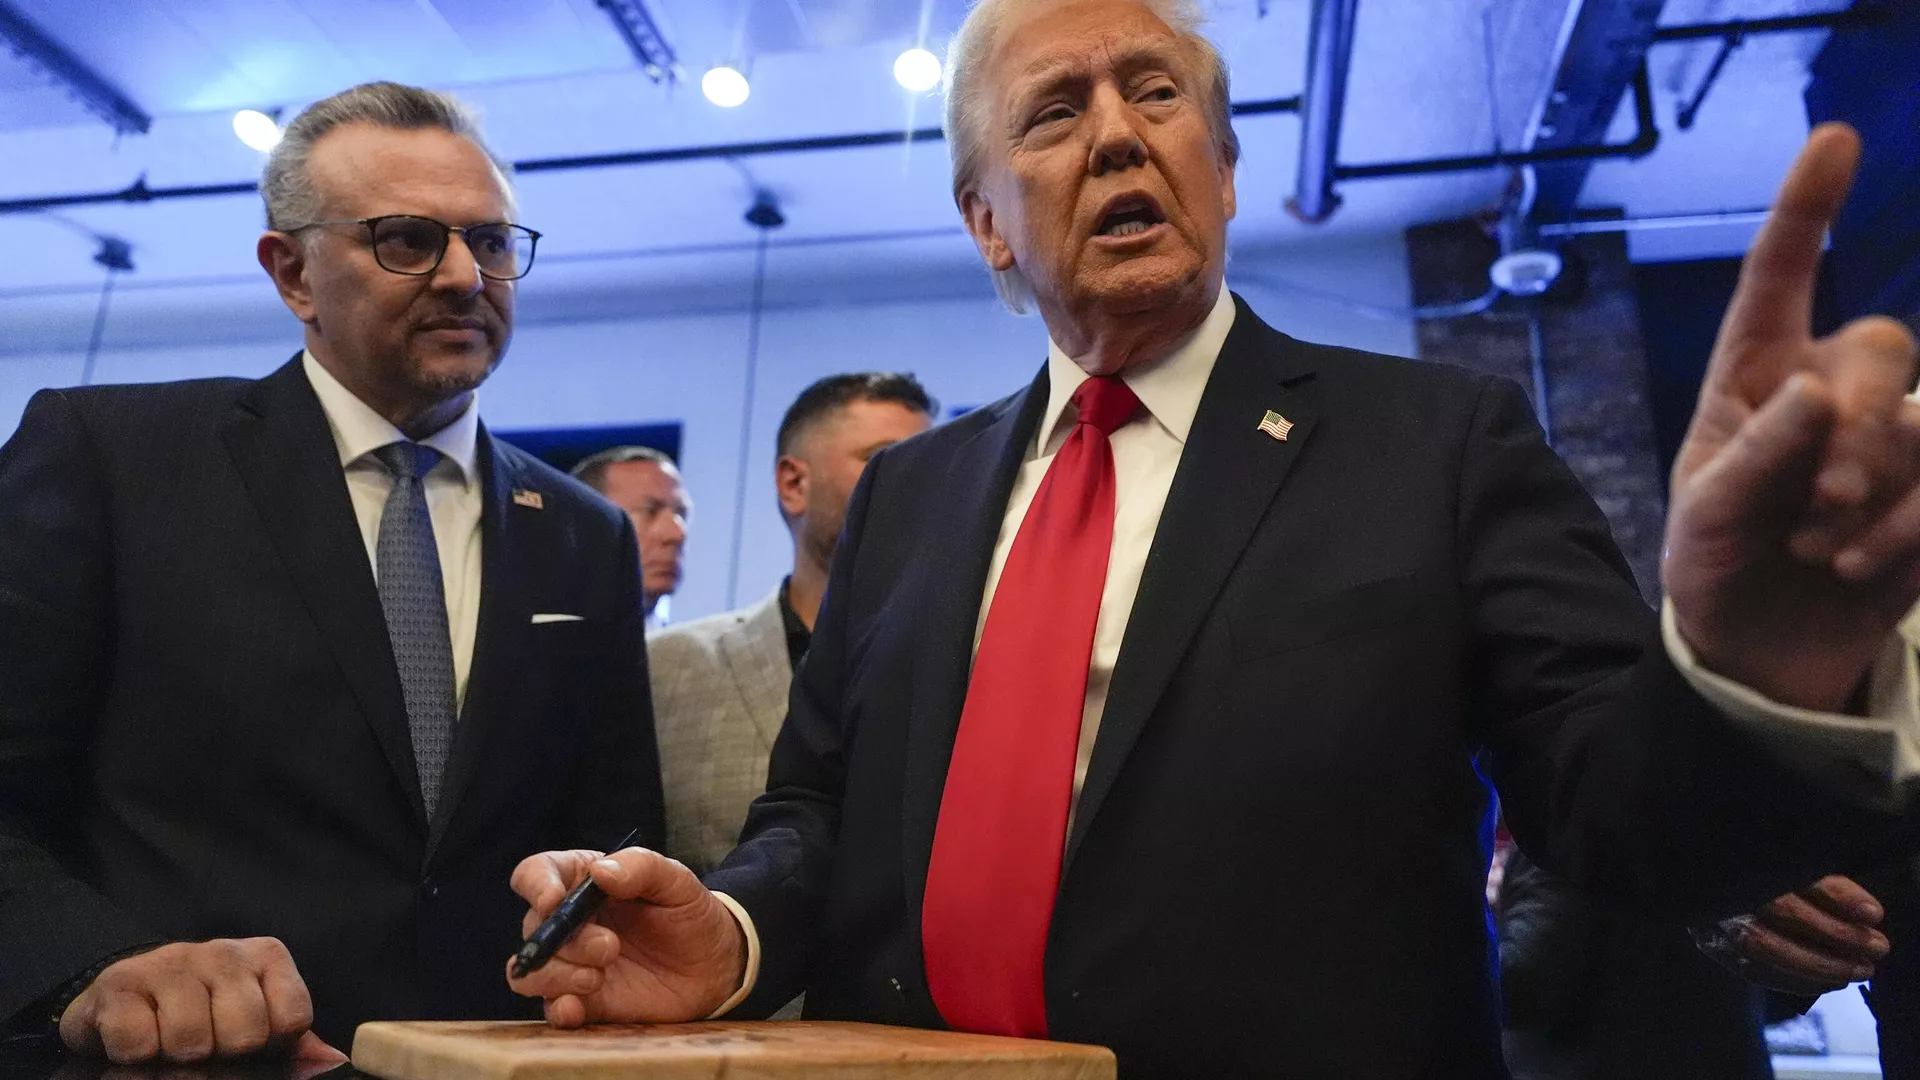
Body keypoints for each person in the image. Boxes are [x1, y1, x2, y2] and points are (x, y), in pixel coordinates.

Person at [506, 1, 1920, 1075]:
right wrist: (735, 934)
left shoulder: (1443, 442)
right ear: (987, 224)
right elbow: (816, 814)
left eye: (1159, 94)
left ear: (1225, 173)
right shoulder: (911, 495)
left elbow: (1621, 821)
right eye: (1054, 112)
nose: (1119, 130)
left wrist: (1748, 671)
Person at [0, 82, 665, 1064]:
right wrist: (98, 965)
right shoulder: (114, 456)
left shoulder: (583, 532)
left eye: (489, 242)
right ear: (293, 274)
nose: (462, 276)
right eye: (406, 239)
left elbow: (612, 834)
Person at [648, 373, 934, 877]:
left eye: (932, 464)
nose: (924, 484)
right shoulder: (668, 669)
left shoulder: (967, 668)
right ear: (794, 483)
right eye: (885, 459)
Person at [571, 447, 691, 624]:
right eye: (650, 511)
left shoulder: (690, 647)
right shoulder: (532, 641)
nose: (677, 533)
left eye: (682, 514)